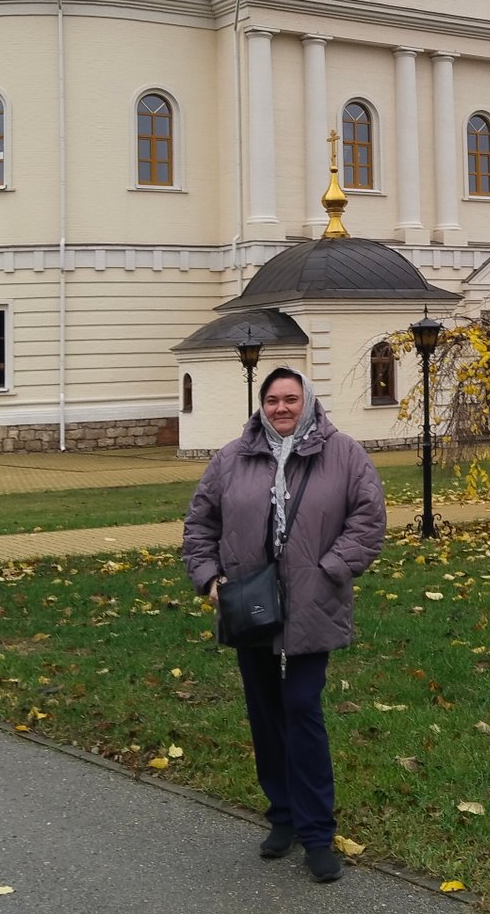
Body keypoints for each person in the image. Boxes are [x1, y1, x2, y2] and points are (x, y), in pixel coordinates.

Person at [182, 366, 386, 883]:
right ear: (261, 405)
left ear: (308, 401)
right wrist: (209, 578)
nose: (281, 408)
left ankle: (318, 833)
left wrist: (329, 570)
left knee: (301, 707)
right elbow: (200, 522)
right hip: (250, 606)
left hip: (313, 605)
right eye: (272, 399)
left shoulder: (343, 454)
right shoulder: (232, 457)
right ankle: (283, 815)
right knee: (265, 712)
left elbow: (368, 519)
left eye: (291, 399)